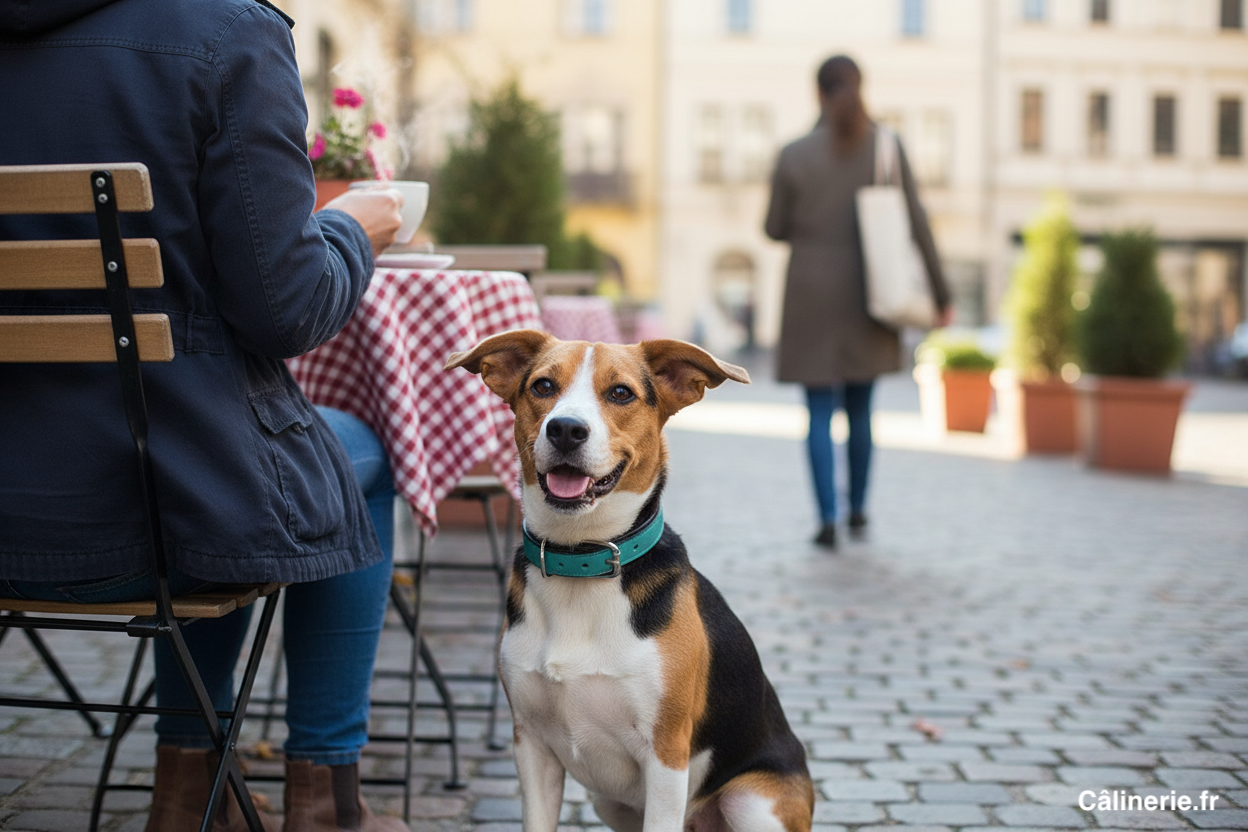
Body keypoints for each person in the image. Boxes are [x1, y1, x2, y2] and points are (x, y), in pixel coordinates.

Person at [0, 1, 410, 830]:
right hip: (154, 520)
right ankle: (324, 797)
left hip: (12, 522)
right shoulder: (227, 33)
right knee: (354, 454)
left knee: (219, 466)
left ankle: (195, 786)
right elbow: (287, 311)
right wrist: (352, 232)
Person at [764, 55, 952, 550]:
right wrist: (941, 293)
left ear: (817, 94)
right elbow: (917, 222)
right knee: (862, 410)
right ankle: (859, 510)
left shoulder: (793, 154)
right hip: (871, 293)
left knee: (819, 413)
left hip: (810, 296)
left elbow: (774, 228)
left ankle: (826, 518)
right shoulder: (886, 147)